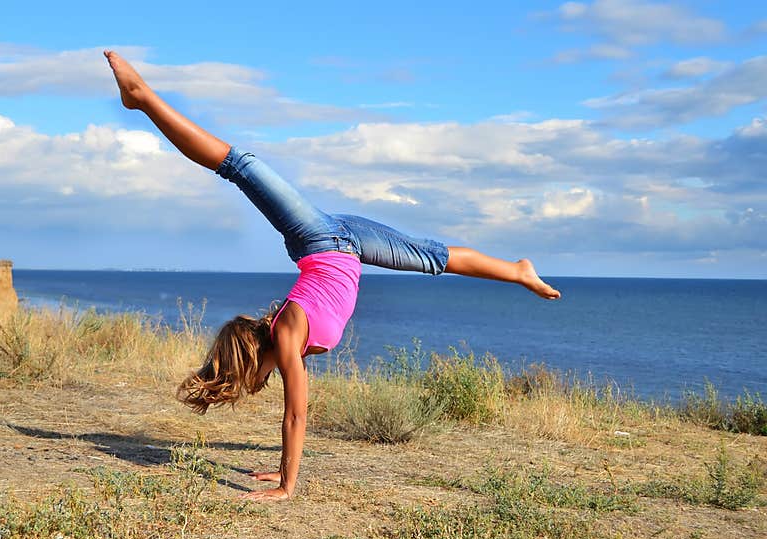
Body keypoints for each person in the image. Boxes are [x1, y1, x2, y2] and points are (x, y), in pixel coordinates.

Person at [104, 50, 560, 502]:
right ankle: (518, 271)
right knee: (434, 258)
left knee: (239, 167)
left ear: (254, 358)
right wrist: (279, 465)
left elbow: (296, 416)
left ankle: (142, 97)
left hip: (317, 237)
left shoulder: (285, 337)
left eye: (255, 380)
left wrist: (287, 485)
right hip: (352, 243)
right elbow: (294, 413)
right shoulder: (289, 342)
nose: (263, 385)